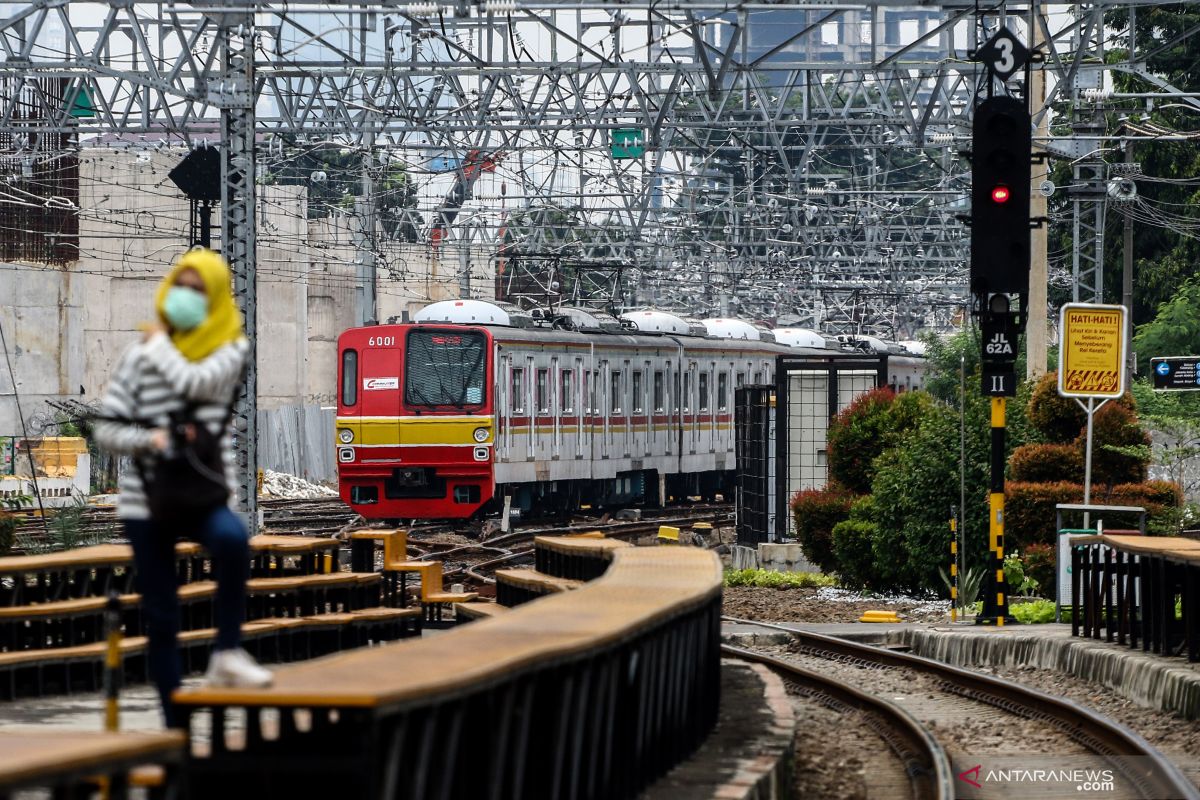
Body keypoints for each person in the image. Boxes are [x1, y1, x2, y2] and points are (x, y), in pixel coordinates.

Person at [94, 248, 271, 728]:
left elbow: (194, 384)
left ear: (214, 297)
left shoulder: (231, 349)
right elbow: (107, 430)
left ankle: (227, 651)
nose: (186, 297)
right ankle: (175, 725)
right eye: (180, 286)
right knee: (162, 615)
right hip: (145, 499)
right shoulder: (138, 356)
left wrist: (158, 347)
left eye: (199, 289)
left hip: (204, 493)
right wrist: (149, 439)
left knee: (233, 541)